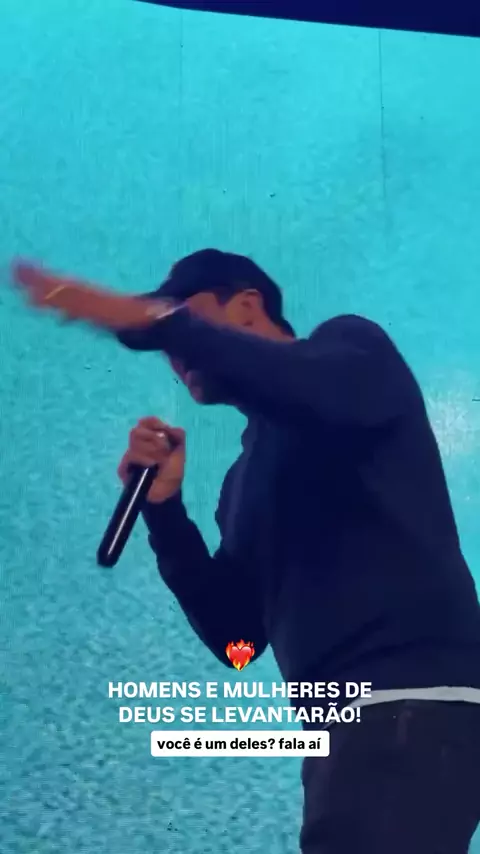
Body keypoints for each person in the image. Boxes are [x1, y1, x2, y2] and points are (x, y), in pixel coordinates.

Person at [12, 250, 480, 853]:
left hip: (414, 701)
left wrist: (156, 320)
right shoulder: (243, 482)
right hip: (343, 732)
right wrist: (164, 510)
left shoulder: (351, 352)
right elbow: (237, 640)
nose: (176, 356)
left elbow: (304, 384)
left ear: (249, 304)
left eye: (189, 314)